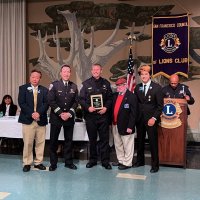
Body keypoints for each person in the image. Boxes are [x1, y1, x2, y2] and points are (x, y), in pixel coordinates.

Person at [79, 64, 113, 170]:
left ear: (101, 71)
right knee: (92, 139)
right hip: (90, 117)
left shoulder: (106, 83)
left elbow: (110, 98)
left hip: (103, 116)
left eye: (98, 69)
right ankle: (92, 160)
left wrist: (106, 108)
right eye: (94, 69)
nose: (96, 71)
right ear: (91, 71)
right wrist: (88, 107)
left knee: (104, 140)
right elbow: (81, 99)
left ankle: (105, 161)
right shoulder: (85, 84)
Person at [48, 64, 78, 171]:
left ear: (70, 73)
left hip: (69, 118)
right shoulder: (54, 85)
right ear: (61, 73)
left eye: (68, 71)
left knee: (68, 141)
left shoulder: (74, 86)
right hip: (56, 118)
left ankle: (68, 162)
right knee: (53, 141)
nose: (66, 73)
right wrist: (61, 113)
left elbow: (76, 102)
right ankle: (53, 163)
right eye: (64, 71)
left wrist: (69, 113)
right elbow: (51, 101)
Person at [133, 65, 163, 173]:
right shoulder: (137, 87)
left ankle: (155, 165)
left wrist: (154, 118)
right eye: (142, 74)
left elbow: (160, 106)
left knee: (153, 142)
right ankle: (140, 161)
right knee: (140, 142)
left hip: (151, 120)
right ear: (140, 76)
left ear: (150, 75)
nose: (144, 76)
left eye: (146, 74)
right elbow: (136, 104)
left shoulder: (157, 88)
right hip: (140, 120)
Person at [18, 69, 49, 172]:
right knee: (27, 143)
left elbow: (46, 104)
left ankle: (38, 162)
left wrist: (38, 113)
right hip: (27, 120)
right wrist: (32, 113)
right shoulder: (23, 88)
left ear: (40, 78)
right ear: (30, 77)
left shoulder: (44, 90)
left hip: (41, 120)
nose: (35, 79)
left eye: (37, 77)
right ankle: (27, 163)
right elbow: (22, 103)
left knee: (40, 143)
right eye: (33, 77)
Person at [112, 78, 138, 170]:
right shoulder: (115, 96)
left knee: (128, 145)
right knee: (118, 144)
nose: (119, 87)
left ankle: (127, 163)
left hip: (126, 126)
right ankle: (121, 161)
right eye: (117, 86)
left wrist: (131, 126)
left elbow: (134, 113)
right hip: (115, 124)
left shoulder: (131, 96)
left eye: (121, 85)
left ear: (126, 85)